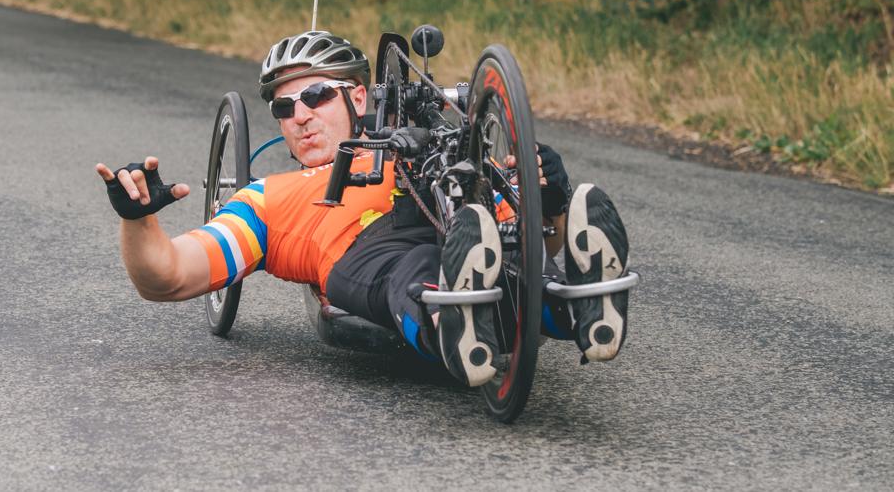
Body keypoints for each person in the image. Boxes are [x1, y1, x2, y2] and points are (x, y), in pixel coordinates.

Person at [96, 31, 630, 384]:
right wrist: (136, 218)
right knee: (412, 272)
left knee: (517, 258)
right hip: (368, 253)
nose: (299, 115)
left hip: (459, 222)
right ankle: (454, 319)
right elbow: (165, 277)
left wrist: (548, 199)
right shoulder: (268, 198)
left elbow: (537, 235)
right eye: (284, 107)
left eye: (316, 97)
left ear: (357, 97)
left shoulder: (437, 150)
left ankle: (576, 306)